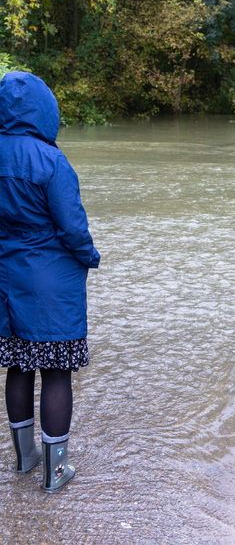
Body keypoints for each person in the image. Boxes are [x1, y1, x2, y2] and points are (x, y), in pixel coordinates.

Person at [0, 71, 100, 493]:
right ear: (45, 109)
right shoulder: (51, 160)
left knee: (19, 365)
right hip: (51, 280)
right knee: (57, 371)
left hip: (7, 275)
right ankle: (56, 472)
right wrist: (90, 257)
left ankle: (25, 459)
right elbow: (73, 227)